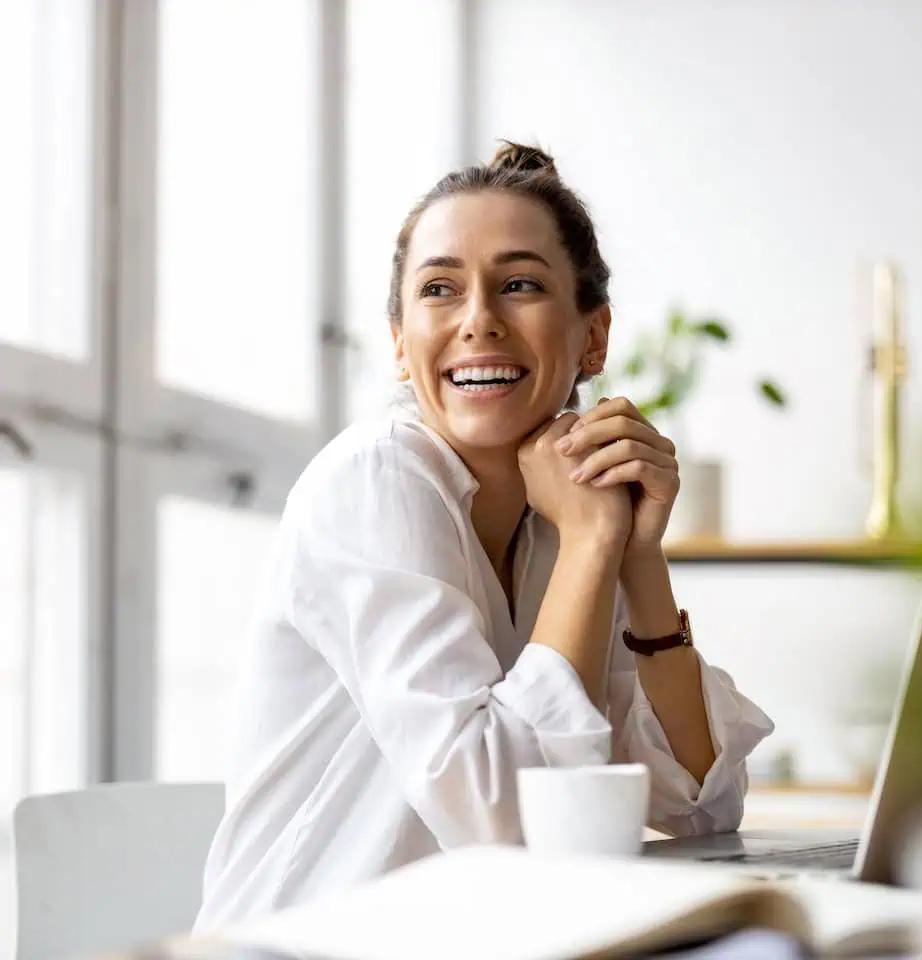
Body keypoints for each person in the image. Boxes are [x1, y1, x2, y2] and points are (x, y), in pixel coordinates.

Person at [193, 141, 773, 931]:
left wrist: (636, 555)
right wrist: (592, 546)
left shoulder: (565, 510)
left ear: (594, 337)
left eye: (520, 285)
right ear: (401, 343)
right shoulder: (376, 481)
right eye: (439, 289)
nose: (478, 322)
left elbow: (702, 806)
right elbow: (503, 822)